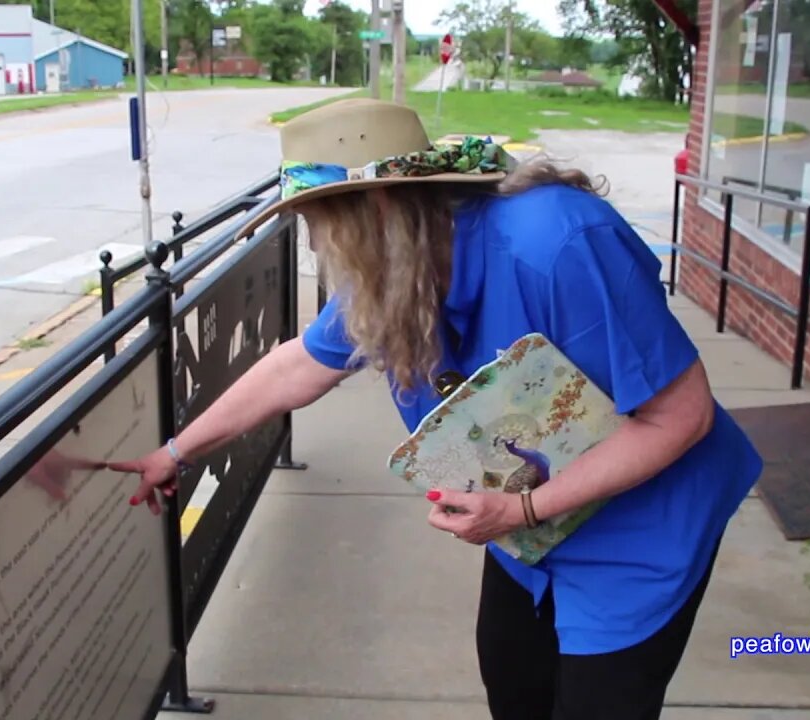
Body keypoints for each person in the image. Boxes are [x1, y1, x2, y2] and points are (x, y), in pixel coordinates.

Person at [108, 98, 763, 720]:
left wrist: (522, 508)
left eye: (319, 225)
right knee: (513, 686)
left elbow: (682, 417)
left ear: (378, 208)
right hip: (529, 530)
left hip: (640, 531)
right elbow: (298, 365)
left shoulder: (556, 244)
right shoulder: (398, 273)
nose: (314, 248)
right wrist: (174, 453)